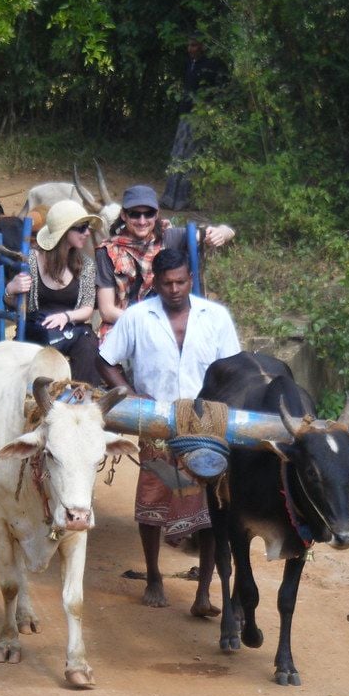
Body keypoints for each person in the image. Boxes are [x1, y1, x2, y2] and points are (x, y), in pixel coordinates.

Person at [97, 247, 241, 613]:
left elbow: (234, 369)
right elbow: (105, 360)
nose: (174, 289)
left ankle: (204, 592)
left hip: (206, 422)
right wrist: (129, 394)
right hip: (157, 420)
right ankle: (154, 576)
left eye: (180, 281)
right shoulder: (137, 317)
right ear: (155, 283)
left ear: (190, 280)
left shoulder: (216, 317)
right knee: (152, 497)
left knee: (212, 507)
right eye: (166, 283)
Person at [95, 184, 234, 340]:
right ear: (124, 215)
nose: (142, 221)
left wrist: (220, 233)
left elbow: (227, 231)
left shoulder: (170, 238)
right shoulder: (107, 252)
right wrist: (149, 323)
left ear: (156, 215)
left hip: (171, 323)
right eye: (135, 214)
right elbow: (107, 311)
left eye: (148, 214)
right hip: (126, 323)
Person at [4, 200, 103, 384]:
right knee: (39, 346)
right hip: (36, 328)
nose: (87, 233)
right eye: (81, 228)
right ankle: (40, 399)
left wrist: (66, 316)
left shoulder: (86, 265)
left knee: (89, 344)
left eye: (87, 227)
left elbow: (88, 308)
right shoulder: (31, 261)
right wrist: (11, 289)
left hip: (72, 328)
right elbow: (14, 304)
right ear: (64, 232)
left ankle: (83, 398)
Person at [159, 31, 225, 211]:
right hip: (185, 116)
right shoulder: (190, 63)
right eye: (189, 45)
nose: (190, 49)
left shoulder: (211, 66)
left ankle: (182, 200)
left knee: (191, 158)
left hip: (201, 118)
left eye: (194, 45)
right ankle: (168, 198)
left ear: (202, 46)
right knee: (177, 155)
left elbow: (219, 92)